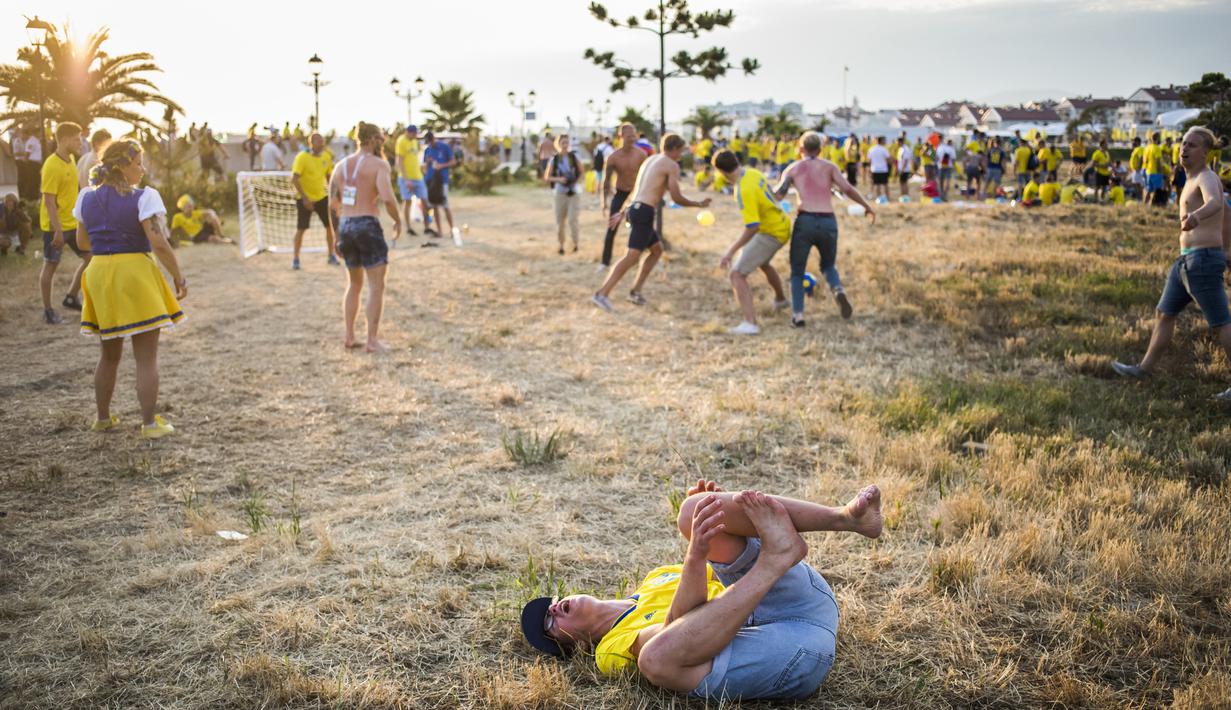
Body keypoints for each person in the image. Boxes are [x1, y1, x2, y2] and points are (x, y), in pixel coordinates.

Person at [519, 478, 883, 701]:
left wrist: (712, 520)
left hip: (800, 597)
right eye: (548, 625)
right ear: (576, 646)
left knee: (691, 510)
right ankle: (777, 557)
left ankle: (847, 518)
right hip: (793, 652)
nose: (552, 608)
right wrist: (696, 557)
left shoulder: (656, 578)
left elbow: (726, 572)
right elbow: (683, 627)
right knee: (656, 658)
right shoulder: (610, 650)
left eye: (549, 604)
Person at [74, 140, 186, 439]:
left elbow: (83, 242)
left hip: (99, 272)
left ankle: (102, 418)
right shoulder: (144, 197)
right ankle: (149, 424)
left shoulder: (86, 197)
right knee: (146, 356)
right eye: (138, 163)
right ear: (122, 166)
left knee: (108, 354)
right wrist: (178, 276)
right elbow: (158, 242)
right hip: (134, 272)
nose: (142, 168)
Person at [1112, 128, 1231, 400]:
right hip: (1186, 262)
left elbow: (1216, 203)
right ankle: (1144, 369)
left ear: (1205, 152)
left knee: (1221, 323)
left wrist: (1198, 218)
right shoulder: (1191, 179)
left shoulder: (1207, 177)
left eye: (1192, 145)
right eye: (1183, 144)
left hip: (1201, 261)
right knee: (1164, 314)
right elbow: (1227, 213)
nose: (1184, 149)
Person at [592, 134, 711, 312]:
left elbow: (638, 190)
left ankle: (635, 291)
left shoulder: (650, 160)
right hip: (644, 212)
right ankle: (602, 294)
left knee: (656, 250)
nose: (682, 154)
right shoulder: (671, 165)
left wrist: (624, 210)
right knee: (631, 256)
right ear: (675, 149)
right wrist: (698, 204)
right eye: (682, 150)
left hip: (636, 209)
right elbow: (676, 196)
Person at [774, 132, 875, 327]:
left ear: (800, 149)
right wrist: (866, 206)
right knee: (828, 265)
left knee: (797, 271)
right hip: (828, 220)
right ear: (820, 150)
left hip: (805, 220)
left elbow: (778, 195)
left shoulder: (794, 168)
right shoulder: (829, 167)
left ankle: (798, 315)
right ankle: (838, 290)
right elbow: (847, 189)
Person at [328, 122, 401, 353]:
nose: (383, 142)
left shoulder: (340, 166)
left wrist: (337, 234)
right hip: (367, 224)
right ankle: (372, 340)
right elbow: (388, 198)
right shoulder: (379, 164)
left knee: (354, 284)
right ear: (372, 139)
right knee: (376, 285)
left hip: (346, 225)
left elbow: (333, 204)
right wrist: (398, 220)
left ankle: (349, 336)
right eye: (381, 138)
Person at [709, 149, 790, 335]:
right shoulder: (753, 172)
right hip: (781, 224)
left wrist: (730, 252)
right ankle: (781, 300)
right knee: (763, 262)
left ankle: (750, 323)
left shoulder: (742, 189)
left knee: (736, 274)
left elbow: (752, 226)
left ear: (721, 172)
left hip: (771, 232)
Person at [39, 122, 88, 325]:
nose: (79, 143)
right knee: (51, 265)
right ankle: (48, 311)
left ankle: (71, 297)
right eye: (76, 139)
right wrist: (57, 231)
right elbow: (49, 201)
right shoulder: (51, 164)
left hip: (73, 223)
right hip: (55, 227)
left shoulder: (71, 160)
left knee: (91, 256)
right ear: (65, 139)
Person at [599, 123, 648, 271]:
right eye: (629, 136)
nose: (632, 139)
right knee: (612, 226)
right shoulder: (613, 157)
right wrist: (604, 203)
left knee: (641, 227)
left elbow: (646, 178)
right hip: (620, 193)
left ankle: (641, 259)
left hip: (636, 194)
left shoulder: (641, 155)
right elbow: (606, 182)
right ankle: (604, 262)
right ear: (621, 137)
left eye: (634, 135)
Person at [290, 132, 339, 269]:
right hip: (304, 199)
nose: (322, 144)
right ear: (311, 143)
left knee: (330, 227)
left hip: (322, 197)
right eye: (319, 141)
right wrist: (305, 199)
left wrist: (334, 194)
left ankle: (331, 255)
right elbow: (294, 178)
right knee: (301, 229)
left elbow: (329, 177)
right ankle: (296, 259)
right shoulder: (302, 157)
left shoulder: (326, 157)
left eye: (323, 141)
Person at [545, 135, 583, 255]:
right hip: (560, 193)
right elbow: (547, 177)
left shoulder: (574, 157)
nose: (565, 145)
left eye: (567, 142)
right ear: (558, 144)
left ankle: (575, 244)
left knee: (573, 219)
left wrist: (574, 183)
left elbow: (582, 173)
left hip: (574, 193)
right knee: (560, 220)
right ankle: (561, 245)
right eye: (563, 143)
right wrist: (559, 179)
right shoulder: (554, 159)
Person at [423, 131, 458, 242]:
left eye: (430, 141)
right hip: (430, 181)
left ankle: (452, 230)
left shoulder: (444, 147)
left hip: (442, 181)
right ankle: (440, 231)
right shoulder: (427, 150)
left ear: (434, 138)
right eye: (428, 142)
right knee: (434, 206)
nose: (429, 144)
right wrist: (427, 162)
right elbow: (424, 166)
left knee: (445, 205)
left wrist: (442, 165)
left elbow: (453, 162)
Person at [17, 124, 43, 202]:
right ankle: (30, 198)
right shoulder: (32, 141)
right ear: (36, 132)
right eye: (39, 132)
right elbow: (27, 154)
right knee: (32, 181)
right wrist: (26, 165)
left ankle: (34, 197)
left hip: (37, 164)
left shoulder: (36, 140)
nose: (41, 134)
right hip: (33, 164)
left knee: (36, 181)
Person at [1143, 132, 1167, 207]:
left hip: (1148, 172)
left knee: (1148, 190)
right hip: (1156, 172)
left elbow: (1145, 161)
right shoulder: (1157, 148)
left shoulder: (1147, 148)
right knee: (1157, 191)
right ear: (1158, 139)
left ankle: (1145, 205)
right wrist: (1161, 173)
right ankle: (1153, 205)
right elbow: (1158, 162)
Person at [867, 136, 892, 203]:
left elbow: (869, 161)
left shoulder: (871, 149)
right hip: (883, 169)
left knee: (877, 185)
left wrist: (869, 169)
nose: (885, 142)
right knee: (885, 184)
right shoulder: (884, 149)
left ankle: (879, 198)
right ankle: (887, 198)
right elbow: (889, 159)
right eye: (884, 140)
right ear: (881, 141)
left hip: (875, 169)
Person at [963, 133, 985, 199]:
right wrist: (984, 170)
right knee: (978, 182)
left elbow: (964, 160)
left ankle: (967, 195)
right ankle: (978, 195)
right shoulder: (979, 156)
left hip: (969, 168)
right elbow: (981, 164)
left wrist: (965, 168)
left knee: (969, 182)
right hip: (975, 168)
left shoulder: (972, 155)